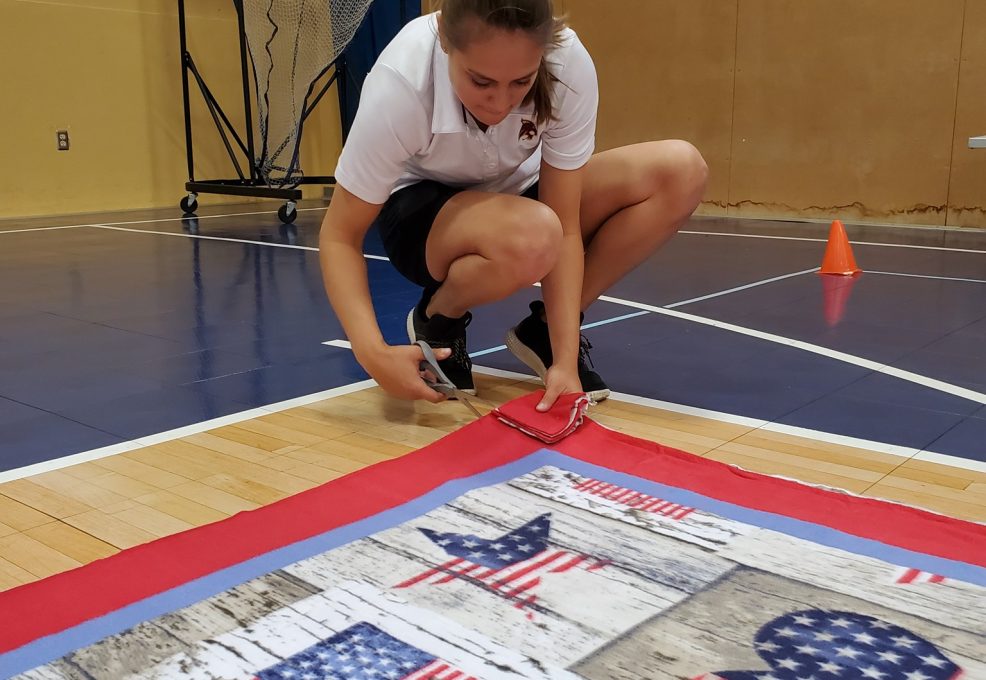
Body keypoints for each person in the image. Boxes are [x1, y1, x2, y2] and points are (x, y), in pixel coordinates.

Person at [319, 0, 707, 412]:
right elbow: (340, 235)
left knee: (680, 171)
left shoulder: (567, 64)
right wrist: (372, 352)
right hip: (422, 214)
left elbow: (567, 226)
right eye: (480, 81)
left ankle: (542, 333)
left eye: (521, 81)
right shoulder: (402, 81)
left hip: (521, 199)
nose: (499, 103)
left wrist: (564, 360)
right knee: (536, 233)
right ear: (446, 44)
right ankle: (438, 316)